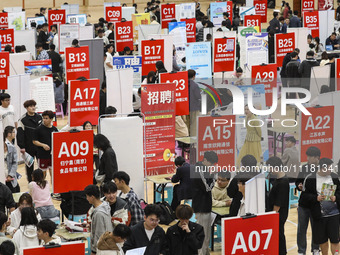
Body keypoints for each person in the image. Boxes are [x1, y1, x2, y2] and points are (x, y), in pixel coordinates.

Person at [300, 158, 340, 255]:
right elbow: (304, 196)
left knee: (335, 240)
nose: (331, 170)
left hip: (334, 215)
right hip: (319, 215)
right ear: (322, 168)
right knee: (322, 240)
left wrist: (336, 197)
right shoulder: (311, 178)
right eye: (329, 168)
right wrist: (315, 198)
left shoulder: (334, 177)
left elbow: (339, 191)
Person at [295, 146, 321, 255]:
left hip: (316, 205)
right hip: (303, 205)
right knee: (301, 230)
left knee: (316, 228)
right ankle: (301, 251)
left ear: (316, 158)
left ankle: (315, 249)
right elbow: (298, 181)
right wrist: (299, 185)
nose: (308, 158)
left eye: (310, 157)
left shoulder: (322, 169)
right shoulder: (304, 168)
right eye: (307, 156)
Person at [192, 151, 218, 255]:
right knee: (203, 235)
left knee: (206, 236)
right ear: (205, 160)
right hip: (201, 206)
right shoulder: (198, 169)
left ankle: (205, 253)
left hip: (205, 205)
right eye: (211, 163)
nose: (212, 166)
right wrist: (214, 175)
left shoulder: (204, 168)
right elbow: (207, 188)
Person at [266, 156, 290, 255]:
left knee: (279, 235)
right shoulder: (278, 179)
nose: (269, 170)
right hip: (277, 214)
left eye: (269, 167)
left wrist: (273, 215)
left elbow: (278, 203)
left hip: (279, 214)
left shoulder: (283, 183)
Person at [17, 100, 42, 183]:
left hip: (39, 146)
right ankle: (31, 182)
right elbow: (20, 134)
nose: (33, 107)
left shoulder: (40, 117)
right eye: (31, 106)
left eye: (34, 106)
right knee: (29, 166)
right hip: (28, 147)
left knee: (41, 165)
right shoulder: (22, 120)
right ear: (26, 108)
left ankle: (41, 180)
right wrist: (22, 146)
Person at [84, 185, 113, 255]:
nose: (86, 198)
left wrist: (94, 251)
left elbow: (99, 233)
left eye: (87, 196)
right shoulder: (105, 206)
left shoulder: (98, 214)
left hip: (101, 249)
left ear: (92, 197)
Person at [32, 110, 58, 180]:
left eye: (46, 118)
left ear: (51, 119)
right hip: (42, 155)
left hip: (52, 156)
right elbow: (34, 141)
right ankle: (42, 188)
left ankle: (54, 190)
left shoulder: (55, 129)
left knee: (53, 174)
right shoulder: (38, 129)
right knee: (42, 174)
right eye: (43, 118)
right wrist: (43, 145)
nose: (44, 120)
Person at [4, 126, 20, 193]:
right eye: (13, 132)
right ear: (8, 134)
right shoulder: (9, 146)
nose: (15, 134)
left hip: (10, 176)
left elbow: (14, 163)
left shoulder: (12, 146)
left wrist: (10, 175)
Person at [188, 69, 201, 137]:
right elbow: (198, 96)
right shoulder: (195, 85)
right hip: (194, 107)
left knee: (187, 125)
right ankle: (193, 142)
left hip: (186, 108)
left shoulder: (183, 84)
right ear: (193, 76)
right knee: (194, 125)